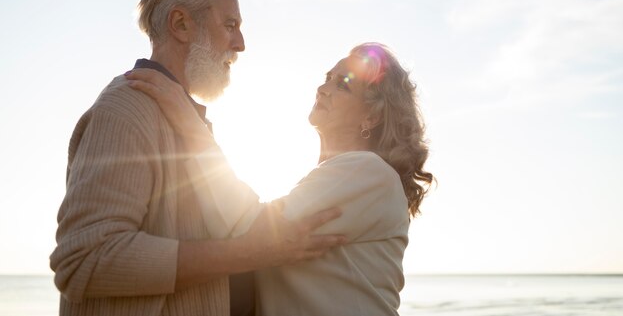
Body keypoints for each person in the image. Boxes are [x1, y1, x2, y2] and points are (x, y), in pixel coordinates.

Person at [49, 0, 346, 316]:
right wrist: (254, 252)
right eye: (230, 25)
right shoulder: (126, 109)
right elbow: (84, 259)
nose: (241, 44)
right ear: (181, 25)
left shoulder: (183, 118)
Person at [126, 42, 435, 315]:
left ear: (371, 116)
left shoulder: (368, 172)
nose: (323, 88)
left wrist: (189, 122)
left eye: (342, 85)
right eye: (327, 78)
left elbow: (252, 228)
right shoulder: (338, 176)